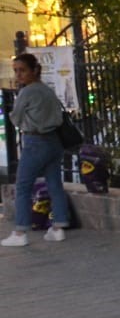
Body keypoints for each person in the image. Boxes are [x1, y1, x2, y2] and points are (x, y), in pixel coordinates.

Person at [3, 52, 73, 246]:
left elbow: (15, 117)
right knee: (54, 183)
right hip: (54, 142)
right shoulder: (47, 90)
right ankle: (58, 226)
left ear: (34, 70)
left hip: (35, 142)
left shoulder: (27, 92)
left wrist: (24, 119)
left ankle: (20, 232)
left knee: (23, 186)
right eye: (16, 71)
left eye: (22, 70)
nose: (18, 75)